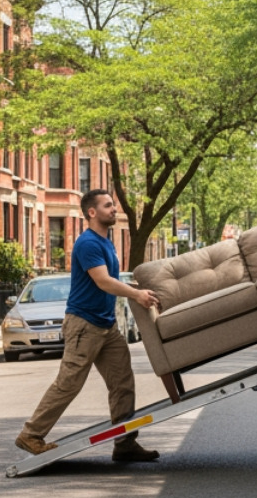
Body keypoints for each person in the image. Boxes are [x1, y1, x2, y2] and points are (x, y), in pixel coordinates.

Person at [14, 189, 163, 463]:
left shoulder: (106, 242)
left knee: (122, 382)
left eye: (113, 205)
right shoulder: (88, 243)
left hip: (106, 325)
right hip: (84, 324)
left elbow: (112, 279)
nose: (114, 209)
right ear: (92, 212)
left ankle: (125, 443)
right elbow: (103, 281)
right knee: (69, 383)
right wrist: (136, 295)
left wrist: (138, 288)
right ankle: (31, 435)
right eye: (108, 205)